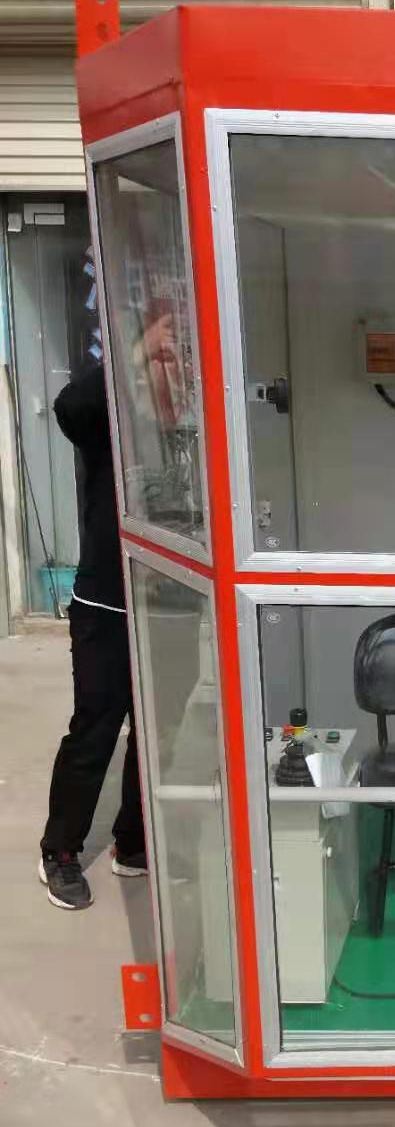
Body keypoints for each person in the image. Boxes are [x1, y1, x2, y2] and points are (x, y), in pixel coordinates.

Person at [38, 315, 175, 910]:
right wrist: (135, 356)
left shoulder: (188, 427)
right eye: (160, 359)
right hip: (106, 600)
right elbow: (69, 408)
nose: (170, 370)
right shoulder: (110, 420)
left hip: (168, 598)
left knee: (158, 728)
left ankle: (134, 841)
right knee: (97, 726)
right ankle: (60, 851)